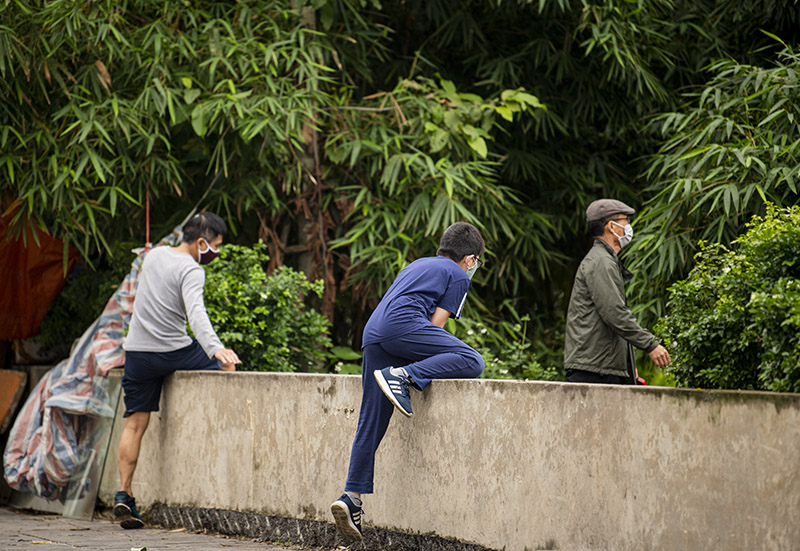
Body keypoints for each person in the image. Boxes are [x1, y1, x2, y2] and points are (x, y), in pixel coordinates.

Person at [330, 222, 486, 541]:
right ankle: (403, 376)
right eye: (477, 262)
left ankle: (351, 498)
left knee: (370, 421)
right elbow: (435, 326)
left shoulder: (415, 264)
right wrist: (417, 370)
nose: (475, 267)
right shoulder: (457, 275)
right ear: (470, 259)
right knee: (473, 360)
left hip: (374, 334)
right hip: (403, 329)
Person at [114, 212, 241, 529]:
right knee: (229, 365)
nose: (217, 252)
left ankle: (124, 494)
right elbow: (196, 315)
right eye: (216, 246)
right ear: (201, 243)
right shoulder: (192, 270)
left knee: (133, 425)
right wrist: (217, 350)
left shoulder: (153, 255)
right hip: (173, 353)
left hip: (137, 354)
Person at [564, 199, 670, 385]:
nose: (628, 226)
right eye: (625, 221)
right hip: (594, 370)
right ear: (611, 226)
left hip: (602, 367)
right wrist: (650, 344)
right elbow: (614, 313)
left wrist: (627, 364)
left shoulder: (604, 260)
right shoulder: (601, 262)